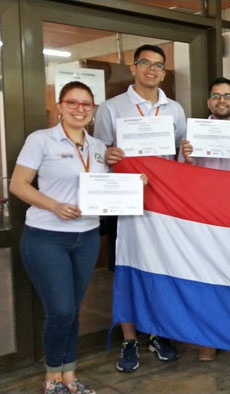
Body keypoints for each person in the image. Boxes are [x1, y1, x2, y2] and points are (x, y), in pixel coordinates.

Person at [94, 44, 186, 372]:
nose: (152, 69)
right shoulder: (111, 108)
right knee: (127, 270)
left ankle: (158, 334)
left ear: (163, 72)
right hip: (127, 202)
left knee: (162, 267)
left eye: (158, 65)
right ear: (133, 68)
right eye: (145, 63)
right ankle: (130, 338)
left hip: (164, 205)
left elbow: (180, 158)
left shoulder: (174, 109)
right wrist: (108, 155)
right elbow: (99, 153)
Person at [10, 81, 108, 394]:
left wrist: (135, 182)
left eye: (86, 104)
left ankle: (70, 376)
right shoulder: (41, 140)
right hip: (46, 237)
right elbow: (18, 185)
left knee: (73, 309)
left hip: (87, 237)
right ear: (60, 105)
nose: (80, 109)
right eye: (73, 103)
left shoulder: (100, 147)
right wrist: (55, 206)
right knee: (62, 310)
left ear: (93, 110)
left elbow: (106, 188)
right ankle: (53, 377)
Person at [180, 77, 230, 361]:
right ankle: (207, 338)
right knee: (205, 277)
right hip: (203, 216)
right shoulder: (192, 132)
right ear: (209, 102)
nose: (222, 100)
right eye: (217, 96)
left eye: (227, 96)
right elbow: (180, 177)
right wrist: (187, 159)